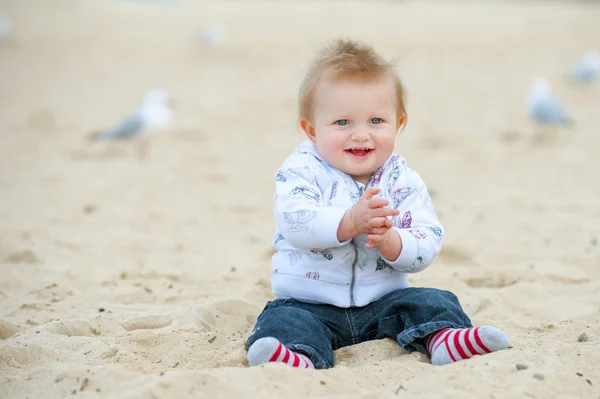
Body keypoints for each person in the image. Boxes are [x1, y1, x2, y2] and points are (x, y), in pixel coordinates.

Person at [245, 39, 509, 369]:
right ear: (311, 130)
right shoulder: (301, 171)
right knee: (281, 320)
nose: (360, 135)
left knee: (434, 301)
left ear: (398, 123)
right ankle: (297, 357)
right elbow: (295, 221)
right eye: (342, 122)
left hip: (383, 301)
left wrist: (392, 242)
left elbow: (427, 237)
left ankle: (444, 339)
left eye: (375, 121)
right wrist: (348, 222)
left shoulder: (402, 179)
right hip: (310, 301)